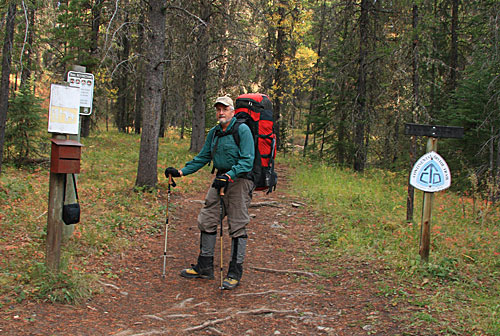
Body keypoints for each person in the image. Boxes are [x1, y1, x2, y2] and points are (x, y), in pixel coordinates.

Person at [165, 96, 255, 290]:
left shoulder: (243, 130)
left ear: (233, 111)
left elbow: (247, 160)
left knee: (237, 225)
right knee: (207, 219)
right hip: (221, 179)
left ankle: (234, 273)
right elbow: (203, 157)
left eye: (224, 109)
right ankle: (204, 267)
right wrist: (180, 172)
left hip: (240, 181)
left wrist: (230, 175)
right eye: (218, 109)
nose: (221, 113)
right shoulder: (214, 133)